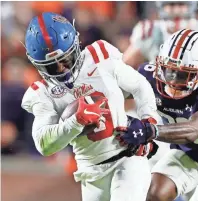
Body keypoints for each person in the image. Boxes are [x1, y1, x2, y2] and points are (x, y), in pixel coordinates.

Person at [21, 12, 160, 201]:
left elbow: (140, 85)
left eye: (65, 60)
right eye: (52, 66)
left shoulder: (100, 57)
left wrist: (148, 121)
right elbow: (43, 144)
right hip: (91, 172)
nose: (62, 69)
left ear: (76, 45)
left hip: (127, 157)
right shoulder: (43, 93)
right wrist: (75, 122)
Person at [116, 29, 198, 201]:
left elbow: (193, 130)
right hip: (187, 153)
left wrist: (149, 131)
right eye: (169, 71)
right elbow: (116, 93)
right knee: (155, 194)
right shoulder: (150, 76)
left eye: (183, 74)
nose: (173, 80)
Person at [123, 1, 198, 83]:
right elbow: (121, 74)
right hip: (161, 101)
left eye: (181, 5)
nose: (176, 11)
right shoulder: (149, 32)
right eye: (171, 5)